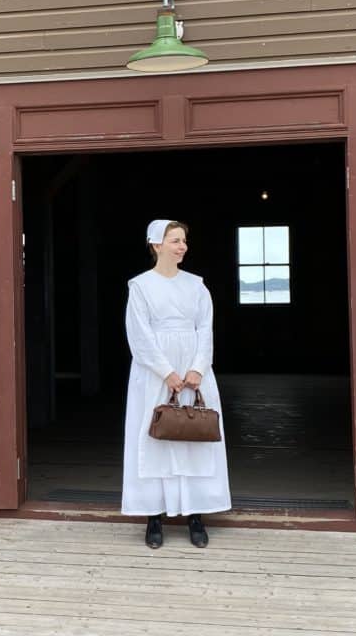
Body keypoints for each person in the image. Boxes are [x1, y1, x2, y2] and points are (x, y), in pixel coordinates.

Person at [121, 219, 231, 549]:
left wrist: (197, 369)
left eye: (184, 240)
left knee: (192, 435)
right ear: (156, 244)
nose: (182, 246)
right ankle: (154, 516)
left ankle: (195, 514)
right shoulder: (140, 286)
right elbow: (138, 334)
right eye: (175, 240)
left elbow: (205, 329)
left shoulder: (197, 286)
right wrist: (166, 371)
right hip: (155, 372)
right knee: (156, 435)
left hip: (194, 371)